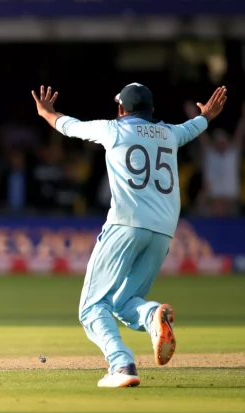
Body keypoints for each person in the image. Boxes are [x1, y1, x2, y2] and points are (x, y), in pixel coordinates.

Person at [31, 83, 227, 387]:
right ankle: (152, 316)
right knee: (125, 301)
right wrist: (208, 116)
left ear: (122, 109)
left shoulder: (114, 130)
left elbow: (71, 127)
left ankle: (121, 364)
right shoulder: (170, 133)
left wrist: (47, 114)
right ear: (152, 111)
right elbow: (193, 127)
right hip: (163, 230)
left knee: (92, 307)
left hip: (126, 224)